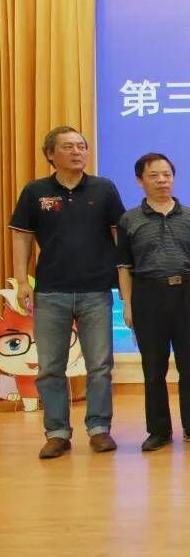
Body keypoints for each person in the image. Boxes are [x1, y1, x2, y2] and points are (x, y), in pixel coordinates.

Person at [8, 126, 125, 458]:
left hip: (96, 290)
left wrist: (124, 281)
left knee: (100, 365)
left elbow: (119, 235)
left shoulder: (103, 188)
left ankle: (99, 428)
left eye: (81, 146)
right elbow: (22, 235)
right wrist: (21, 280)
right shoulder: (36, 191)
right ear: (50, 154)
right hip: (51, 291)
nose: (77, 152)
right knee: (50, 366)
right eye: (68, 147)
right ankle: (57, 432)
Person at [116, 153, 190, 452]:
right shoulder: (130, 219)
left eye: (167, 174)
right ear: (140, 180)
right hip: (147, 296)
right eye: (154, 175)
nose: (162, 180)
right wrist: (128, 306)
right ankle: (158, 431)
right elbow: (124, 267)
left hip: (186, 293)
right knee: (154, 368)